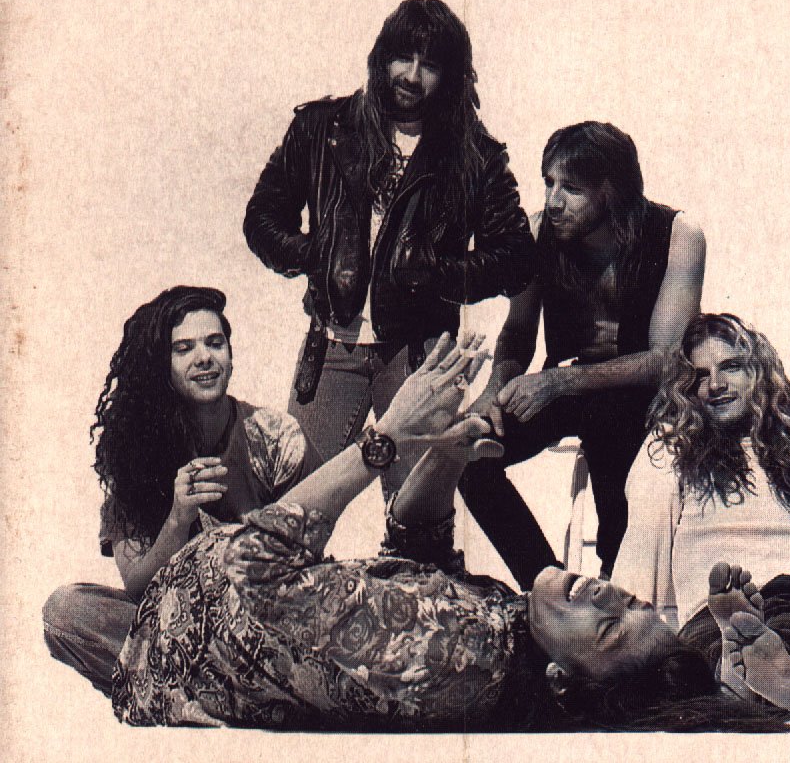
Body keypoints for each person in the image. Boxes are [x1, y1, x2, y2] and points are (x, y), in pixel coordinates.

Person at [111, 333, 735, 732]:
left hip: (175, 641)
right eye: (632, 601)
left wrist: (384, 438)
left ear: (562, 681)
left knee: (67, 610)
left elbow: (256, 561)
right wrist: (445, 456)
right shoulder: (509, 635)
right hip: (196, 612)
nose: (605, 593)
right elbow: (415, 556)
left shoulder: (456, 655)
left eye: (607, 628)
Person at [243, 0, 534, 500]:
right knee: (297, 507)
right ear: (382, 56)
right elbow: (262, 219)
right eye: (404, 57)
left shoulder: (475, 153)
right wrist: (316, 256)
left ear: (451, 75)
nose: (412, 76)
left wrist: (436, 271)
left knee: (416, 518)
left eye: (430, 65)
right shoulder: (322, 128)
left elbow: (515, 257)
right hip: (332, 346)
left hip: (420, 356)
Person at [459, 122, 706, 588]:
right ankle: (549, 587)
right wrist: (493, 391)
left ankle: (618, 577)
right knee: (468, 453)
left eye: (570, 188)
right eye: (548, 183)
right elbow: (518, 333)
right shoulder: (537, 231)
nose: (553, 200)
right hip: (570, 386)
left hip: (645, 395)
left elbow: (665, 361)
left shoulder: (678, 234)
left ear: (611, 191)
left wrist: (559, 382)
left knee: (609, 417)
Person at [42, 286, 320, 695]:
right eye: (183, 348)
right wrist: (178, 518)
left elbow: (310, 558)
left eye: (215, 343)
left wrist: (246, 535)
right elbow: (138, 586)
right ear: (163, 366)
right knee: (66, 612)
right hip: (182, 626)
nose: (204, 357)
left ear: (230, 353)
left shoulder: (276, 435)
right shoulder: (134, 450)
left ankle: (184, 689)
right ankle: (214, 690)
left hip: (265, 623)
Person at [612, 313, 790, 719]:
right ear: (686, 389)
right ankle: (749, 675)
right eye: (700, 376)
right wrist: (628, 659)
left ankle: (769, 671)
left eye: (730, 367)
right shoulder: (671, 452)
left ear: (758, 374)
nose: (715, 384)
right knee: (709, 633)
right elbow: (641, 555)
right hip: (714, 618)